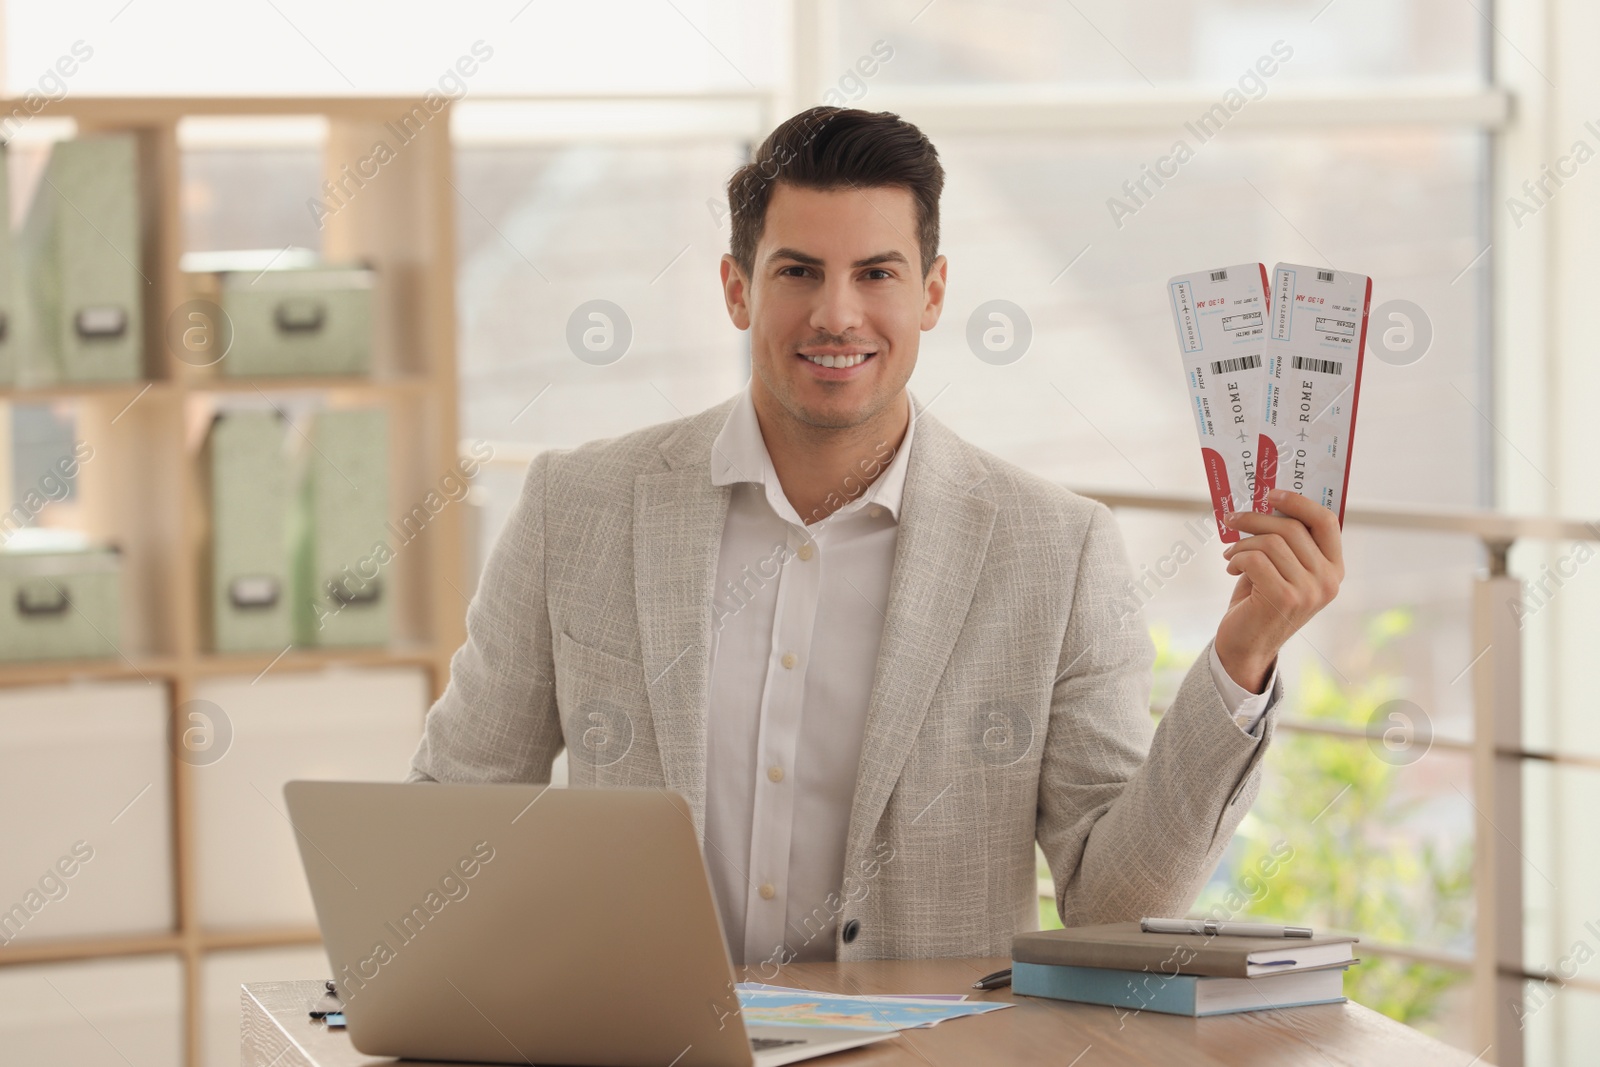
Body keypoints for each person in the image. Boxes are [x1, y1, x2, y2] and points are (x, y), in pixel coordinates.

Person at [408, 106, 1344, 969]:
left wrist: (1242, 655)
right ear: (737, 290)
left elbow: (1109, 900)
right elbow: (457, 809)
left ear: (932, 294)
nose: (837, 315)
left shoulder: (1056, 553)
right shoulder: (578, 507)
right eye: (798, 271)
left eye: (877, 274)